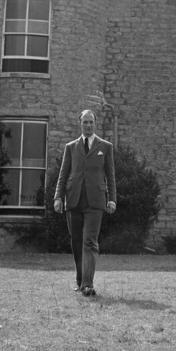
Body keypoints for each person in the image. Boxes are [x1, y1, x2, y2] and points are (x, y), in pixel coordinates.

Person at [54, 109, 116, 296]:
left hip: (96, 202)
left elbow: (110, 176)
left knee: (89, 241)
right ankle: (80, 280)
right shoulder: (71, 147)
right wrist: (58, 197)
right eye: (85, 122)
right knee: (77, 242)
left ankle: (88, 284)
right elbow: (63, 174)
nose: (88, 125)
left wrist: (112, 199)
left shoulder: (105, 147)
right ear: (79, 123)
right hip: (73, 200)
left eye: (91, 122)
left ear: (95, 124)